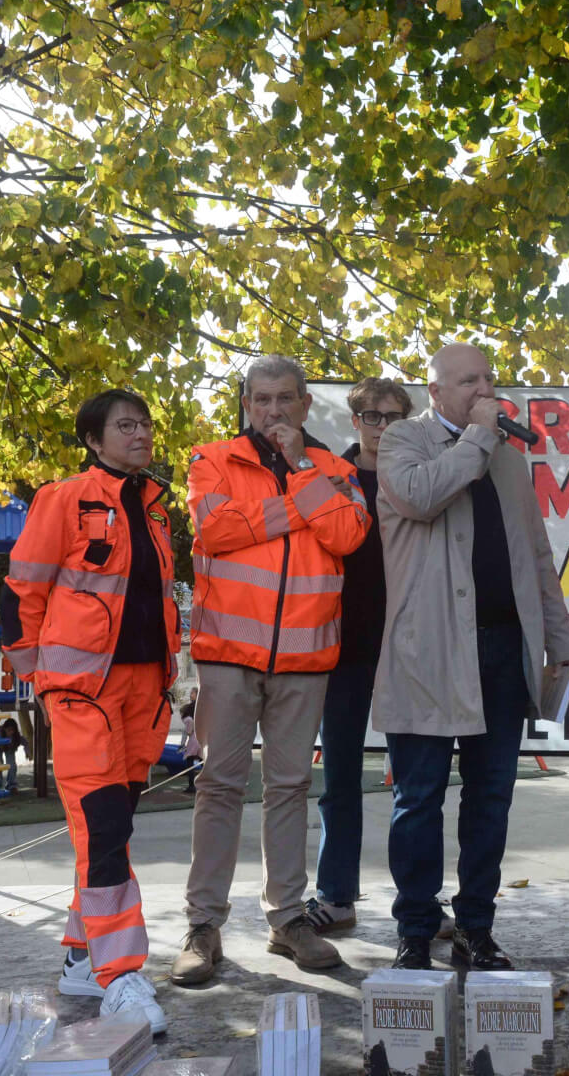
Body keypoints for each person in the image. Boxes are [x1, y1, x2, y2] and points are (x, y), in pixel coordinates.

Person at [374, 342, 569, 971]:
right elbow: (420, 497)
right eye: (468, 382)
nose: (484, 390)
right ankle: (415, 929)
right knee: (419, 799)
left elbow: (535, 555)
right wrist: (478, 438)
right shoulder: (403, 441)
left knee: (491, 799)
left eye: (488, 379)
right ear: (435, 392)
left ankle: (476, 929)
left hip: (502, 651)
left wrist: (559, 640)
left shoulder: (509, 460)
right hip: (429, 653)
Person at [173, 355, 371, 984]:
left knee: (289, 788)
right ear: (246, 405)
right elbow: (214, 531)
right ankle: (203, 925)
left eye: (286, 399)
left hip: (306, 657)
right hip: (228, 655)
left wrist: (302, 472)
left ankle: (287, 919)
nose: (274, 411)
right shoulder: (211, 460)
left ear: (306, 405)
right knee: (219, 786)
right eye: (262, 399)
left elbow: (348, 536)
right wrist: (306, 504)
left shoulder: (336, 469)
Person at [0, 388, 179, 1034]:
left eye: (145, 424)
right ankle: (120, 976)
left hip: (143, 692)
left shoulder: (154, 509)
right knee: (101, 826)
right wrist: (39, 676)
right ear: (93, 441)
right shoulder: (64, 498)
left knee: (113, 826)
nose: (141, 434)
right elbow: (21, 590)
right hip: (83, 693)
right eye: (125, 426)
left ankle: (82, 956)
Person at [306, 377, 441, 935]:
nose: (382, 428)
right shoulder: (329, 478)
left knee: (416, 785)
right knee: (339, 781)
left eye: (394, 417)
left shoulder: (421, 478)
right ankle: (336, 896)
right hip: (343, 649)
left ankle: (419, 905)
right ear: (355, 421)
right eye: (372, 417)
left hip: (408, 647)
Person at [0, 717, 29, 792]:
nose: (11, 732)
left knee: (12, 766)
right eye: (9, 730)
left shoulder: (16, 737)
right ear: (4, 729)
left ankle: (11, 785)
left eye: (13, 730)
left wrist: (27, 752)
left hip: (10, 748)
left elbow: (26, 743)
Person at [179, 687, 201, 793]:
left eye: (192, 693)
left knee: (190, 761)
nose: (190, 694)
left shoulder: (193, 709)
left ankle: (192, 785)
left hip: (195, 739)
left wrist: (188, 731)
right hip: (201, 739)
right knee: (202, 761)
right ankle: (206, 784)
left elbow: (188, 728)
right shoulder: (200, 707)